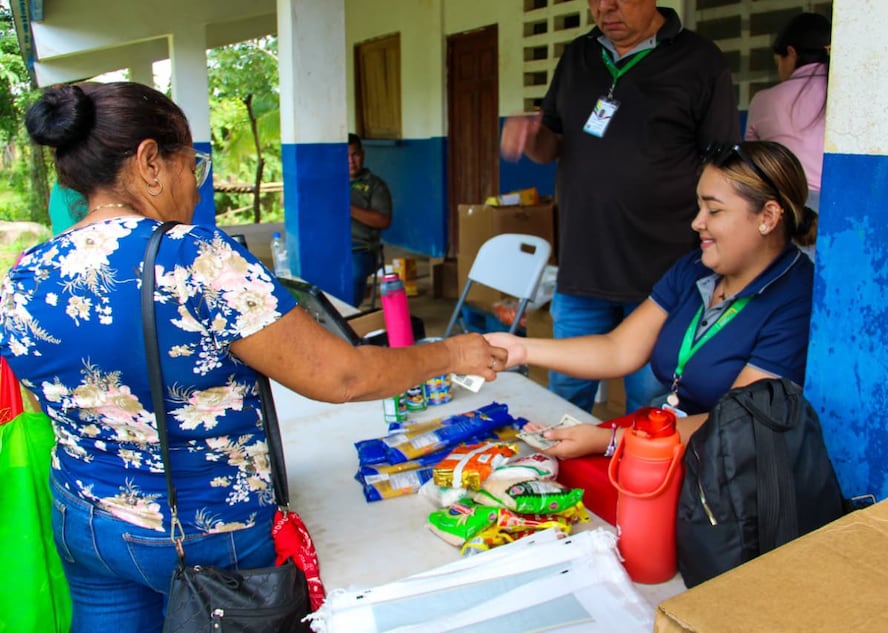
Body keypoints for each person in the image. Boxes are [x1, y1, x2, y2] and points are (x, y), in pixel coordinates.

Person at [0, 82, 507, 633]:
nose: (196, 185)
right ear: (150, 162)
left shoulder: (25, 272)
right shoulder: (191, 256)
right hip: (207, 533)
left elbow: (53, 394)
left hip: (86, 519)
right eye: (192, 162)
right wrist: (452, 351)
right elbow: (343, 376)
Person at [487, 141, 817, 458]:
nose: (697, 222)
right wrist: (522, 349)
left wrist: (610, 440)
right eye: (699, 207)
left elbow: (737, 422)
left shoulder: (795, 300)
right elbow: (618, 349)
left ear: (768, 217)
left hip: (727, 476)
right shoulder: (694, 269)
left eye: (713, 210)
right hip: (663, 443)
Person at [499, 0, 740, 415]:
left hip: (661, 273)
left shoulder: (700, 60)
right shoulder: (578, 55)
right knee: (563, 393)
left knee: (648, 404)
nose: (604, 8)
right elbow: (552, 141)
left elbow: (720, 162)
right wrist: (531, 139)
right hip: (583, 264)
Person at [745, 12, 831, 215]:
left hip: (786, 209)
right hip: (841, 205)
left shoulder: (765, 100)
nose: (779, 71)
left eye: (778, 63)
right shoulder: (845, 96)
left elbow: (751, 163)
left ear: (791, 53)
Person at [348, 132, 393, 307]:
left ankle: (349, 319)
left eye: (355, 155)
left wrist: (348, 208)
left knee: (353, 272)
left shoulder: (375, 185)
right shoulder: (331, 184)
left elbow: (384, 220)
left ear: (363, 154)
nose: (351, 161)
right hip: (331, 248)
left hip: (362, 250)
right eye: (346, 156)